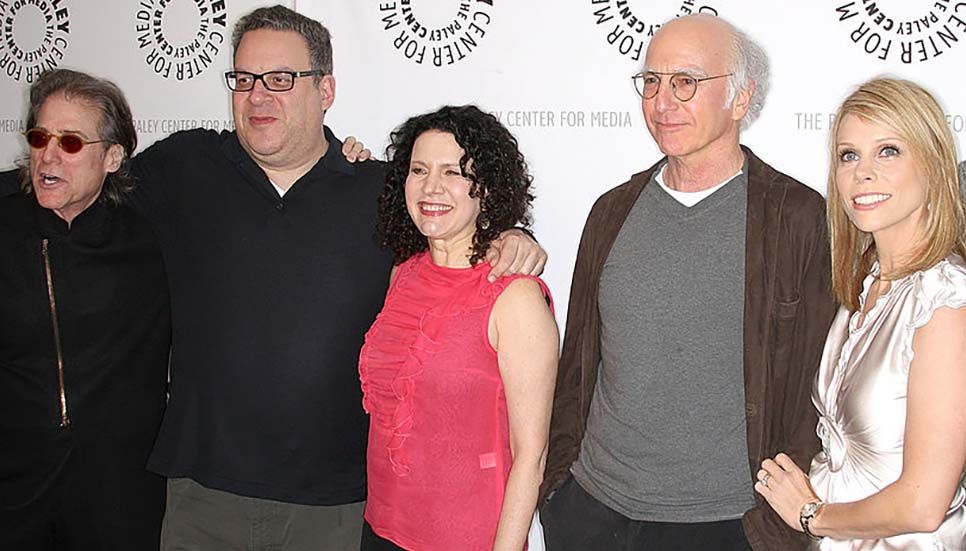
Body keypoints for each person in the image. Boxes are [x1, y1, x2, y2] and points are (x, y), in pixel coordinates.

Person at [539, 14, 837, 551]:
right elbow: (578, 362)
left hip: (730, 525)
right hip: (593, 511)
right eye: (651, 81)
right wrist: (559, 488)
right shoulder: (611, 212)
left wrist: (772, 529)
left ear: (741, 98)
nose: (661, 102)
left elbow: (819, 382)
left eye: (686, 82)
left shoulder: (796, 218)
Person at [755, 78, 966, 549]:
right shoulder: (865, 283)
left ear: (931, 165)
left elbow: (924, 504)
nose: (862, 173)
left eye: (888, 151)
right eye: (849, 155)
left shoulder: (945, 301)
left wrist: (810, 514)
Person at [358, 105, 559, 550]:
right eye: (419, 169)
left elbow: (532, 457)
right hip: (381, 528)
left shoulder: (516, 297)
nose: (431, 187)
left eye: (453, 172)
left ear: (485, 188)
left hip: (467, 538)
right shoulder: (403, 274)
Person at [0, 69, 171, 549]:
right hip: (15, 492)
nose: (48, 156)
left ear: (113, 156)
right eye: (40, 137)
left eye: (71, 143)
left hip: (118, 498)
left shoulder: (153, 235)